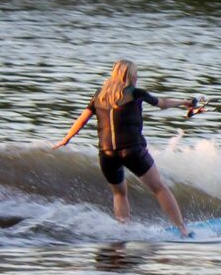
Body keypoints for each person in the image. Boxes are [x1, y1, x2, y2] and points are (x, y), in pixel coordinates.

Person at [55, 60, 200, 235]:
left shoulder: (99, 95)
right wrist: (184, 102)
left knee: (119, 193)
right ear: (130, 76)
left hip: (107, 154)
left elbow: (82, 119)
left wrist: (66, 139)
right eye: (136, 74)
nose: (137, 77)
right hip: (132, 150)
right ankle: (183, 229)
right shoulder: (135, 93)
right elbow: (162, 103)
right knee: (159, 187)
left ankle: (122, 231)